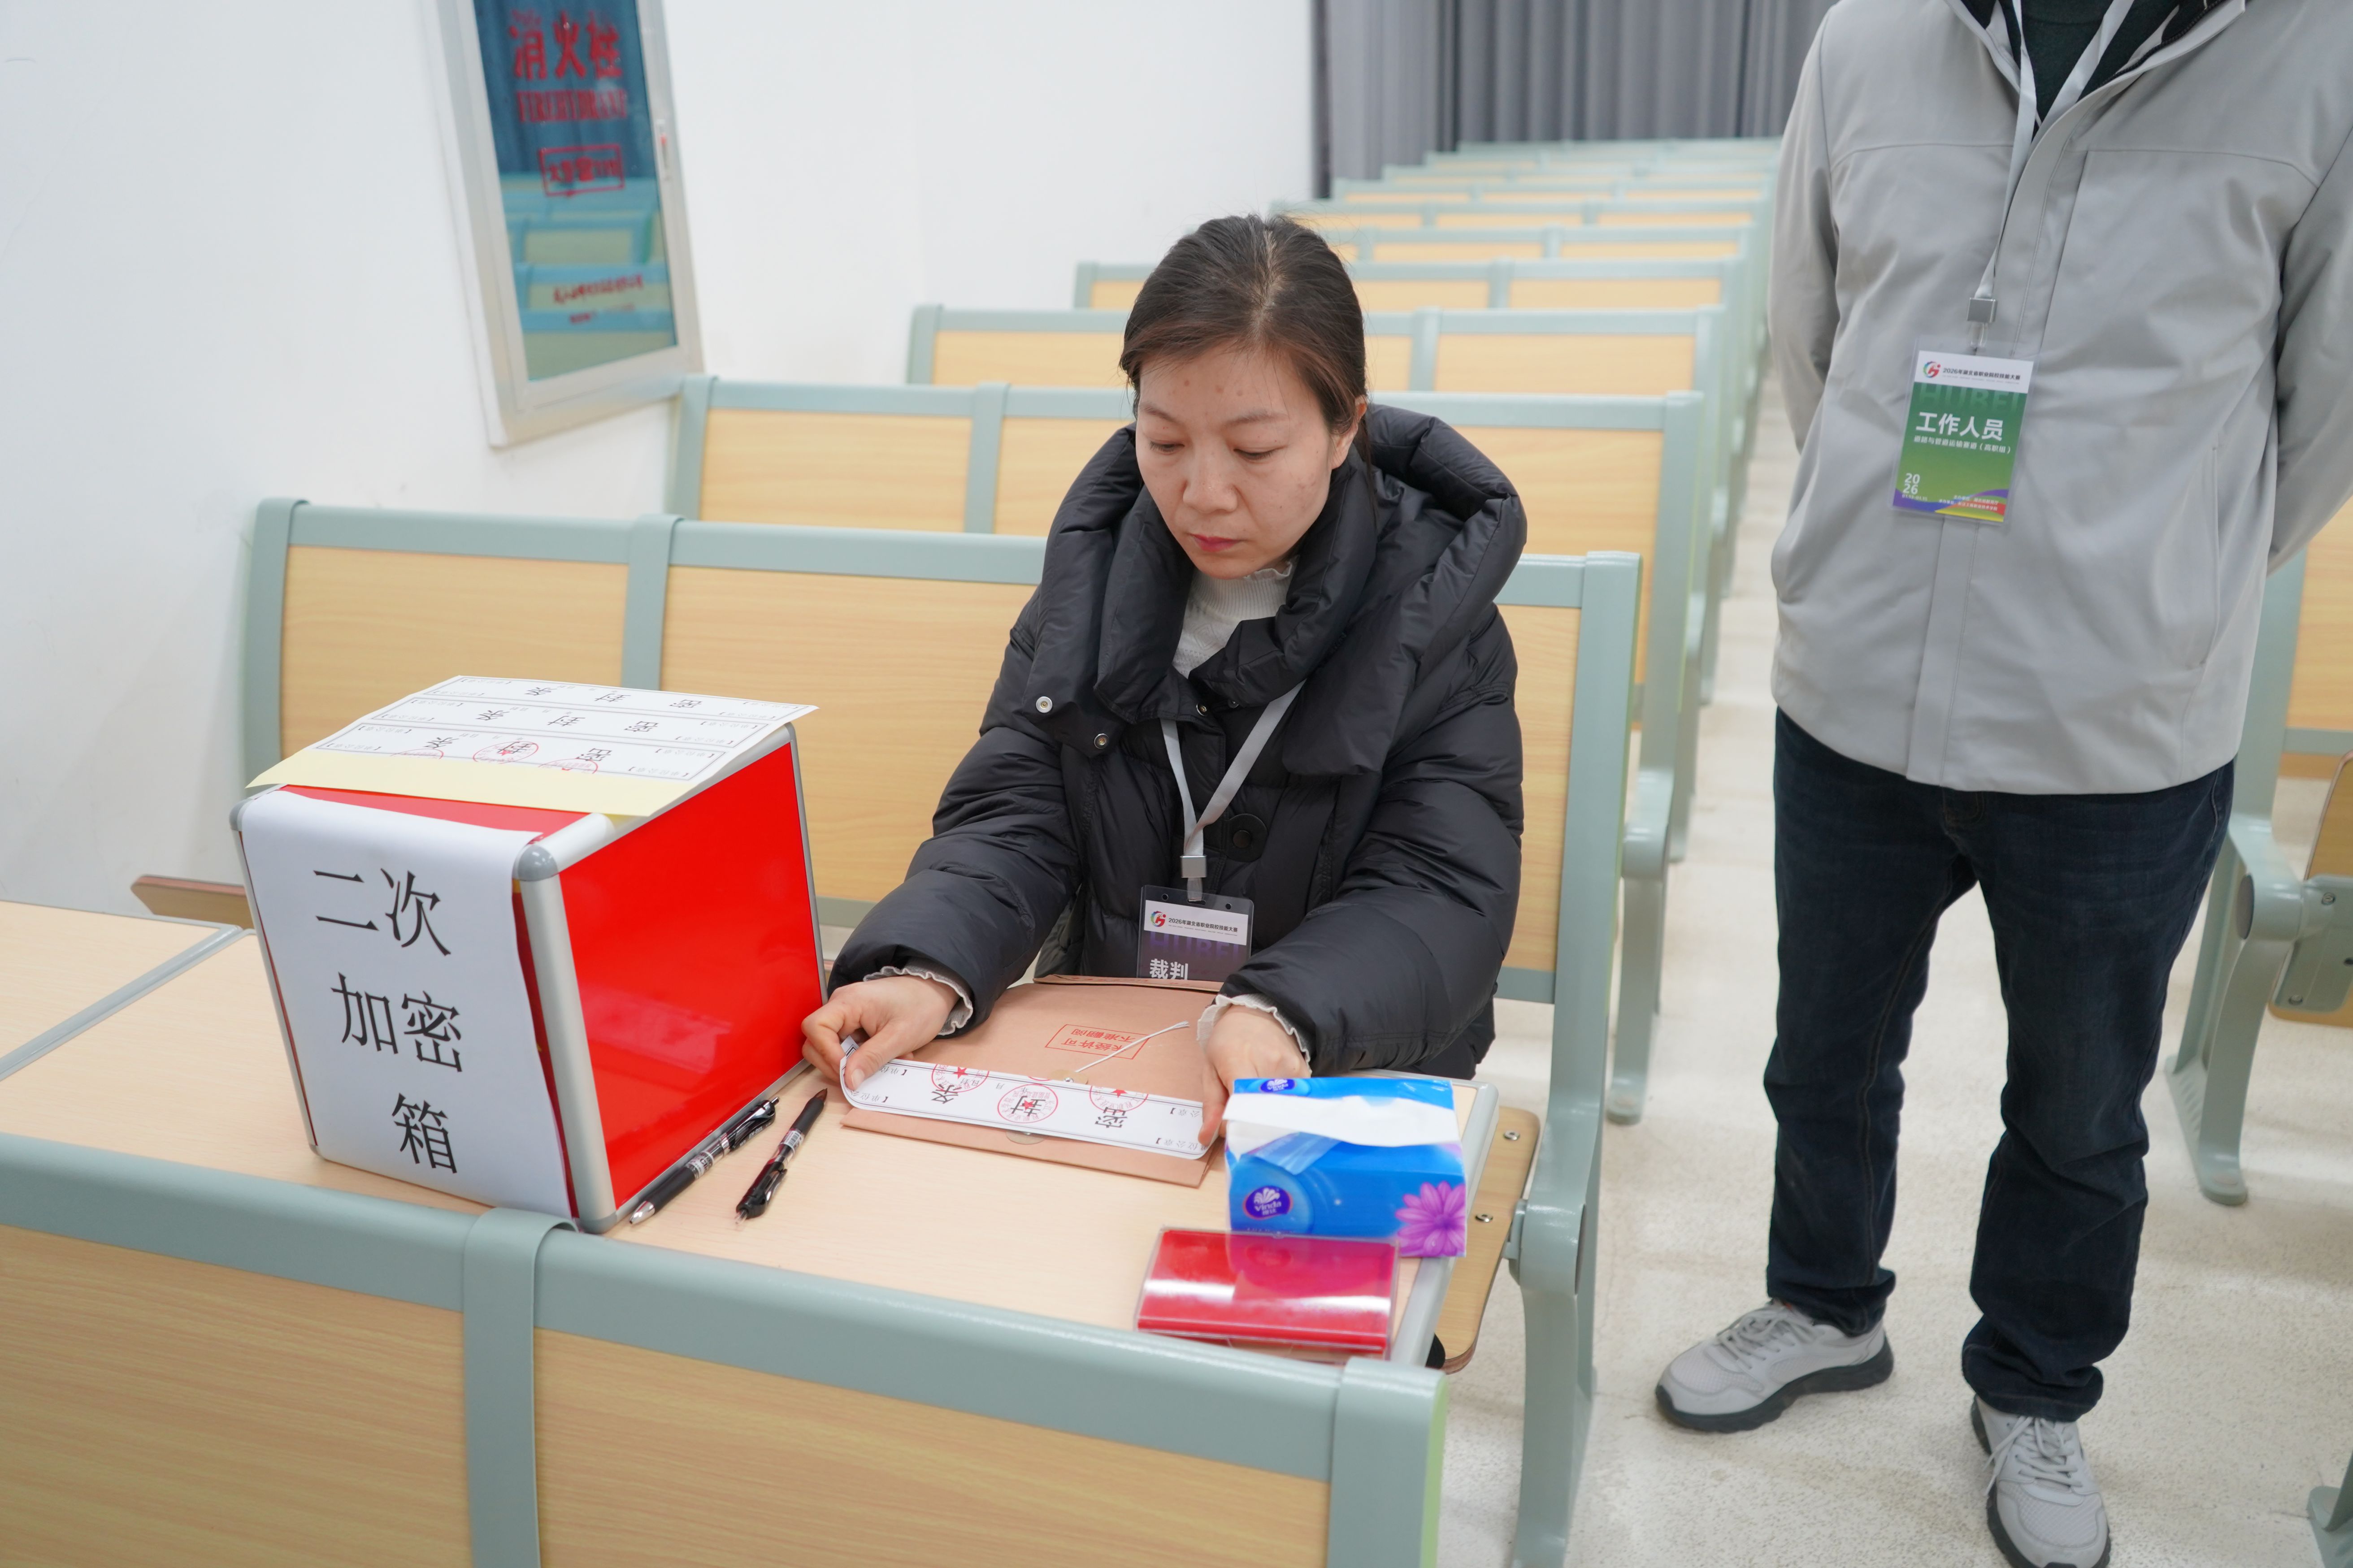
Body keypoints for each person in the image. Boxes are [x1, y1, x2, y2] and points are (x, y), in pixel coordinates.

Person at [1653, 2, 2353, 1565]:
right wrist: (1865, 544)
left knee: (2079, 1105)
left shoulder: (2321, 59)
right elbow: (1811, 326)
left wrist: (2166, 583)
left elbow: (2323, 403)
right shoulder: (1871, 33)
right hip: (1858, 682)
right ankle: (1821, 1302)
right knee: (1822, 1053)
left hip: (2114, 723)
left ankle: (2034, 1385)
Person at [800, 214, 1528, 1140]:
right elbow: (1017, 814)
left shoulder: (1436, 617)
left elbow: (1437, 887)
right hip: (1115, 1054)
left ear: (1345, 427)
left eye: (1254, 451)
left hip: (1346, 1062)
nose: (1202, 493)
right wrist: (927, 966)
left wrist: (1280, 1015)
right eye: (1166, 442)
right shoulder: (1089, 588)